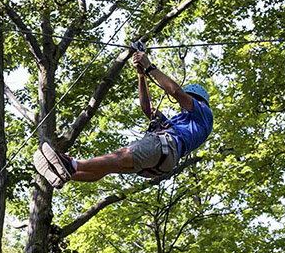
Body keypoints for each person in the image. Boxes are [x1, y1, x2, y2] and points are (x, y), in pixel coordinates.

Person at [34, 51, 214, 189]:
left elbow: (175, 91)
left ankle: (70, 163)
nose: (183, 104)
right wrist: (141, 75)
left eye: (188, 100)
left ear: (198, 99)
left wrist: (150, 67)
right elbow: (147, 108)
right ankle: (64, 175)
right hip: (161, 161)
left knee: (118, 157)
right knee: (108, 166)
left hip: (165, 147)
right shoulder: (181, 122)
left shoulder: (203, 113)